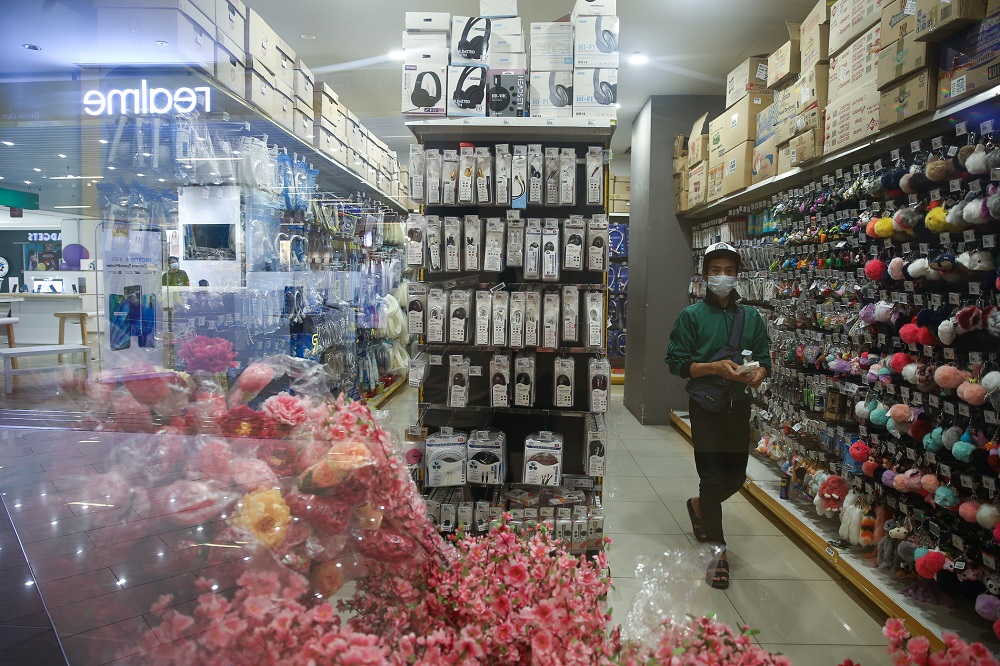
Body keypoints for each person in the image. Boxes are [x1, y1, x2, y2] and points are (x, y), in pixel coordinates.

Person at [665, 242, 771, 590]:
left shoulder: (752, 317)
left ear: (737, 274)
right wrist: (712, 367)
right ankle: (717, 552)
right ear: (705, 274)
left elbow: (765, 358)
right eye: (716, 271)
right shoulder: (691, 316)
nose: (722, 277)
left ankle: (699, 506)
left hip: (738, 405)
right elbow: (677, 364)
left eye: (728, 271)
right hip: (705, 405)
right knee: (711, 478)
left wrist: (759, 373)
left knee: (736, 477)